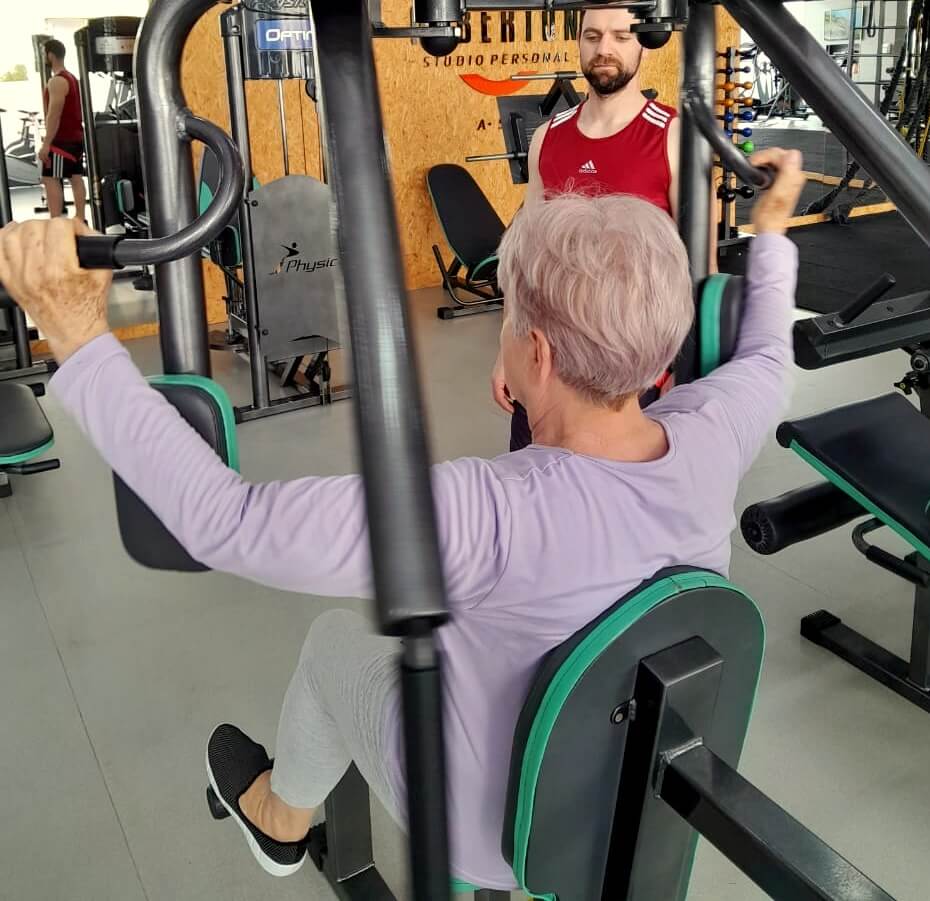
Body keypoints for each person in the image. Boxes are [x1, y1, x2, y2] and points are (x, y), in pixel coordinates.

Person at [0, 149, 805, 891]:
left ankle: (281, 819)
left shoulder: (483, 514)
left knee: (332, 643)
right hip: (630, 793)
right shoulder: (712, 433)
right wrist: (769, 229)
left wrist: (76, 333)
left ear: (539, 353)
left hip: (488, 834)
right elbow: (768, 352)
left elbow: (224, 522)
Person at [492, 6, 711, 451]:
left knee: (620, 504)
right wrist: (506, 351)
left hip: (632, 367)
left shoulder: (673, 136)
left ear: (643, 44)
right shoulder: (547, 137)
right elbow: (525, 265)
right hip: (548, 367)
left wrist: (683, 369)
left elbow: (698, 267)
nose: (604, 49)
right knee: (535, 487)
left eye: (619, 36)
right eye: (592, 37)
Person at [38, 39, 87, 222]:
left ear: (50, 55)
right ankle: (80, 218)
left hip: (61, 140)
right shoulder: (72, 78)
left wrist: (46, 144)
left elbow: (54, 115)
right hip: (75, 137)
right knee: (75, 177)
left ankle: (56, 220)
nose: (44, 57)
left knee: (50, 178)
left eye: (44, 53)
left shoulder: (57, 81)